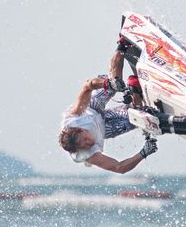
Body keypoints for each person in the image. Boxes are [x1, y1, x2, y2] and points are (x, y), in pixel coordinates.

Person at [59, 37, 158, 174]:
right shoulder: (88, 155)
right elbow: (119, 168)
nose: (90, 143)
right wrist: (143, 153)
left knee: (113, 84)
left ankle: (122, 45)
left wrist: (108, 84)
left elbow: (88, 85)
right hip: (104, 128)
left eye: (86, 139)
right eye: (85, 145)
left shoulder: (76, 117)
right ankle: (135, 89)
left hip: (92, 108)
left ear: (81, 129)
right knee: (136, 118)